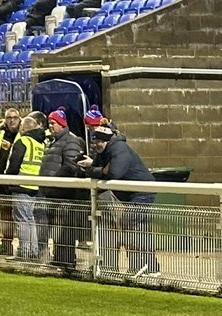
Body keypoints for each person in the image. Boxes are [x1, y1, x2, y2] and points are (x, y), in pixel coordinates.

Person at [77, 124, 160, 276]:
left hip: (142, 192)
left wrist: (97, 170)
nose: (96, 144)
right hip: (132, 194)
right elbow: (95, 171)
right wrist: (99, 170)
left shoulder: (119, 149)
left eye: (100, 141)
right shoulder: (104, 152)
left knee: (131, 224)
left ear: (107, 141)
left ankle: (142, 266)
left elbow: (114, 173)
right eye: (95, 141)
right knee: (139, 228)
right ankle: (149, 267)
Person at [40, 109, 86, 269]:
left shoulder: (71, 141)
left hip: (64, 194)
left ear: (62, 124)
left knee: (65, 230)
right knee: (57, 229)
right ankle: (59, 259)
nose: (50, 126)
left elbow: (71, 166)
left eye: (53, 123)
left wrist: (54, 181)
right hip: (53, 193)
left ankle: (66, 261)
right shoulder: (54, 141)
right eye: (49, 123)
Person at [5, 114, 46, 261]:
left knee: (22, 220)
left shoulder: (23, 141)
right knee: (30, 220)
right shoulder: (40, 143)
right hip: (34, 186)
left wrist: (7, 180)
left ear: (23, 128)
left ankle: (24, 252)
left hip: (21, 185)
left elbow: (14, 165)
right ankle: (33, 251)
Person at [0, 108, 21, 255]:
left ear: (19, 119)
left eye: (15, 117)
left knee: (21, 216)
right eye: (9, 118)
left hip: (17, 181)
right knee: (6, 215)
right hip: (1, 181)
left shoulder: (23, 134)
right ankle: (7, 245)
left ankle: (25, 247)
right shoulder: (0, 134)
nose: (12, 120)